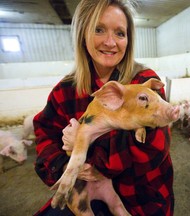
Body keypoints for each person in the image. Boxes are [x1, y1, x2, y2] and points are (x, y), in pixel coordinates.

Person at [33, 0, 174, 215]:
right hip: (84, 189)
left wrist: (86, 149)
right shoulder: (65, 90)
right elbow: (44, 135)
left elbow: (155, 149)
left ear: (128, 40)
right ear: (83, 34)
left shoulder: (144, 83)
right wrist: (64, 166)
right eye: (99, 30)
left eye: (120, 33)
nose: (110, 42)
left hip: (140, 195)